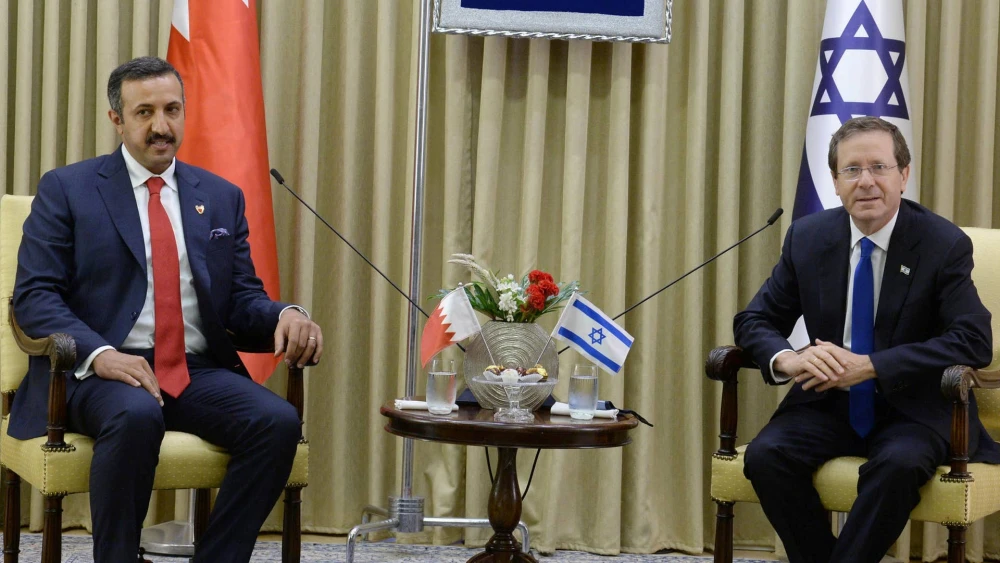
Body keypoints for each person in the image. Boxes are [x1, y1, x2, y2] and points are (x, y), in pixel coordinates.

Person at [9, 56, 323, 563]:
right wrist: (103, 354)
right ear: (117, 119)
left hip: (192, 370)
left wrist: (286, 314)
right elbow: (35, 297)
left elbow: (241, 301)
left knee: (277, 421)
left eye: (172, 109)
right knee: (135, 415)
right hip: (97, 374)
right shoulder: (67, 190)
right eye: (145, 112)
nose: (161, 126)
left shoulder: (220, 197)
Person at [734, 116, 999, 563]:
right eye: (852, 170)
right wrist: (788, 359)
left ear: (904, 175)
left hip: (914, 407)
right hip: (826, 403)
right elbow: (754, 319)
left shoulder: (941, 243)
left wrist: (873, 365)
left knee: (898, 465)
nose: (866, 182)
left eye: (879, 167)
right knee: (766, 456)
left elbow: (973, 340)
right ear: (835, 182)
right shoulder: (809, 238)